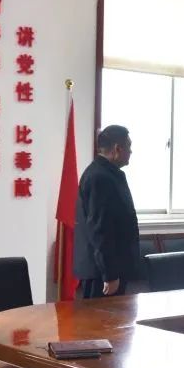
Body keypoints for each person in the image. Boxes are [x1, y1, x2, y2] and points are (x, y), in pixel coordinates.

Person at [73, 125, 139, 298]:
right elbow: (100, 229)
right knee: (101, 316)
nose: (131, 151)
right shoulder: (100, 177)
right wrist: (109, 275)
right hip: (102, 274)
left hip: (109, 269)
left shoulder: (108, 174)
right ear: (117, 149)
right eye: (129, 146)